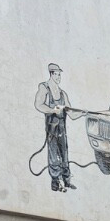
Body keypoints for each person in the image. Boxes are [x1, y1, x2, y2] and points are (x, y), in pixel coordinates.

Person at [34, 64, 85, 192]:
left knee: (64, 153)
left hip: (62, 129)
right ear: (51, 74)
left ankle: (67, 180)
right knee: (53, 154)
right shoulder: (44, 87)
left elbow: (71, 114)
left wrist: (83, 113)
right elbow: (38, 105)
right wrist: (52, 110)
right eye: (56, 74)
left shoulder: (63, 94)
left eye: (59, 74)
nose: (58, 77)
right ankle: (55, 182)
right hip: (51, 128)